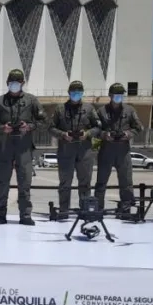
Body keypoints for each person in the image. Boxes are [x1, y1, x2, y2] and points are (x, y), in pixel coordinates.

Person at [0, 69, 46, 225]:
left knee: (25, 182)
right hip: (5, 146)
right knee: (2, 182)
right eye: (12, 83)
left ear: (22, 84)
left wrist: (29, 126)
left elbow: (44, 122)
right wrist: (2, 128)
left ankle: (25, 215)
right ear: (7, 83)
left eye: (17, 83)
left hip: (24, 147)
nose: (14, 85)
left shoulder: (32, 101)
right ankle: (0, 215)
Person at [48, 81, 101, 217]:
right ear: (69, 93)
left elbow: (98, 127)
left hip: (85, 150)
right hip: (66, 149)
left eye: (79, 92)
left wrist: (88, 134)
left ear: (82, 93)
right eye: (73, 92)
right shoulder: (60, 109)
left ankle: (85, 211)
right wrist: (63, 134)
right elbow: (50, 127)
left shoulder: (89, 109)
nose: (76, 95)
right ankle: (64, 211)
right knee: (65, 182)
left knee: (85, 182)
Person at [94, 83, 144, 213]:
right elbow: (95, 129)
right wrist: (104, 135)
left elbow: (139, 127)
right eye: (116, 95)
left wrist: (128, 134)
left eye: (121, 95)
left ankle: (126, 208)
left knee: (126, 181)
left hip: (123, 150)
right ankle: (98, 208)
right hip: (107, 149)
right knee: (101, 181)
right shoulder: (101, 111)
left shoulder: (129, 110)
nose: (119, 97)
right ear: (110, 95)